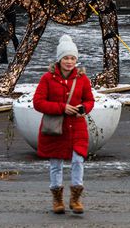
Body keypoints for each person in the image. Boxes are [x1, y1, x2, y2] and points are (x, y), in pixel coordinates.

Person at [33, 34, 94, 215]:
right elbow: (38, 102)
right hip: (56, 129)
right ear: (59, 59)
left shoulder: (82, 79)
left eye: (73, 58)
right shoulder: (47, 78)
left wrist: (83, 108)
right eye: (66, 58)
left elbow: (90, 100)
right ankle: (57, 199)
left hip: (76, 127)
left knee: (78, 161)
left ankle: (76, 198)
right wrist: (62, 107)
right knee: (56, 164)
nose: (69, 62)